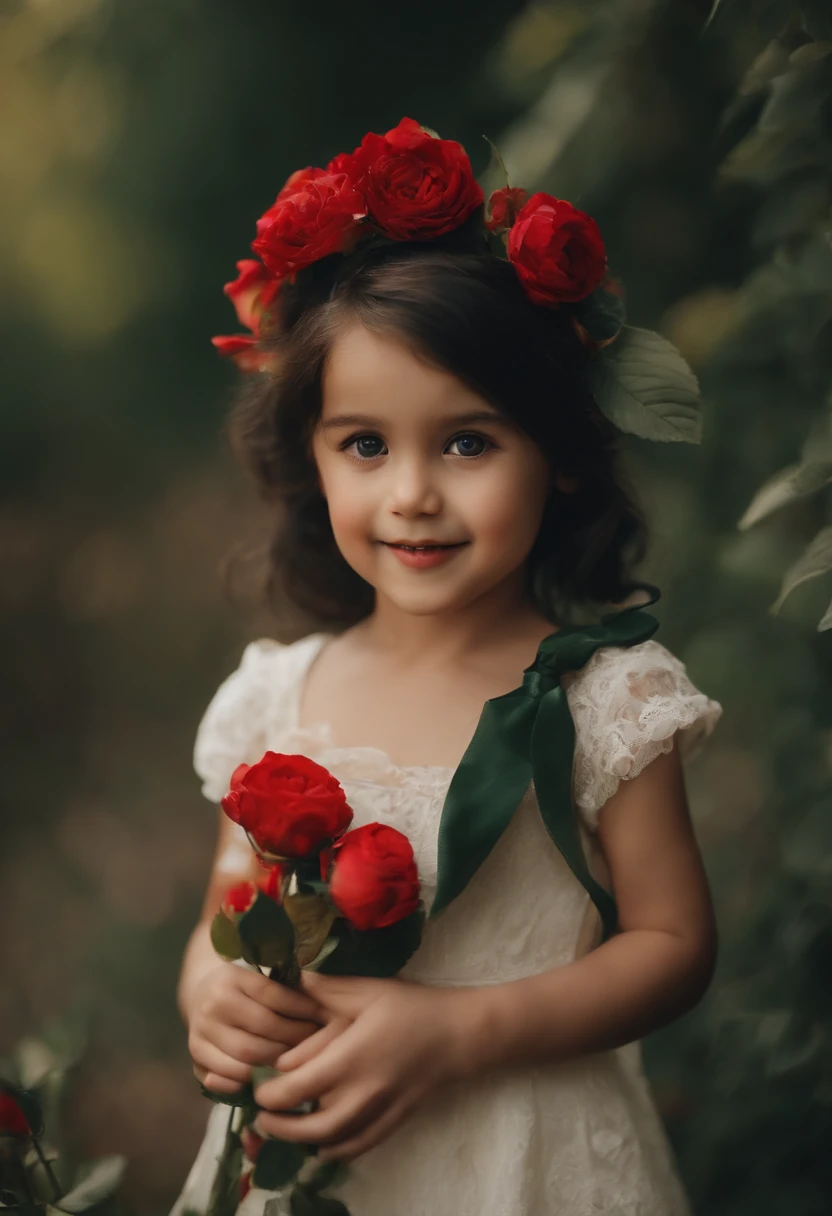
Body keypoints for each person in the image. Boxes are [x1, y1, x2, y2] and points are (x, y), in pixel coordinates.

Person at [172, 118, 722, 1216]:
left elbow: (672, 943)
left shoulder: (603, 693)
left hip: (522, 1159)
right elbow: (225, 916)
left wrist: (466, 1026)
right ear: (313, 455)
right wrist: (210, 997)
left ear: (560, 456)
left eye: (467, 441)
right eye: (365, 444)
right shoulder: (279, 696)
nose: (413, 493)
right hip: (317, 1161)